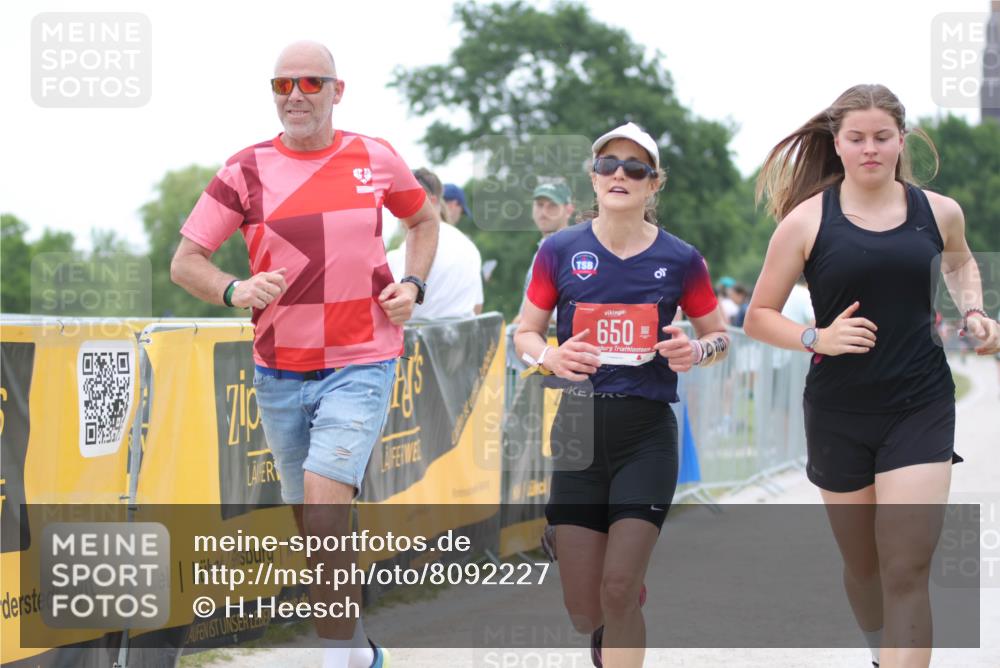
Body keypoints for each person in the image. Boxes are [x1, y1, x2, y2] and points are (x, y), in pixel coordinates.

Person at [171, 40, 439, 668]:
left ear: (337, 91)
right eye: (283, 84)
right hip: (279, 370)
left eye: (311, 83)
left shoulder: (376, 157)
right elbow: (186, 263)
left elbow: (423, 223)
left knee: (322, 504)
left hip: (362, 359)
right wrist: (235, 289)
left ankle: (331, 660)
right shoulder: (245, 170)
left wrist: (413, 286)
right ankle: (361, 651)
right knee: (315, 528)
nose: (295, 95)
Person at [744, 84, 1000, 668]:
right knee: (863, 567)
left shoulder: (939, 212)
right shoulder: (806, 223)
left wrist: (978, 313)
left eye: (882, 138)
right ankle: (881, 653)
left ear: (900, 140)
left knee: (906, 564)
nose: (870, 149)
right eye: (856, 138)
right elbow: (759, 316)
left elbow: (959, 263)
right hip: (839, 411)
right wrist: (818, 337)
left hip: (920, 403)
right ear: (837, 144)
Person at [515, 122, 729, 668]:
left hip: (646, 436)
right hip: (579, 432)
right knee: (587, 611)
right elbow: (525, 333)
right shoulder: (559, 250)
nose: (620, 175)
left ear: (653, 184)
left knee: (615, 587)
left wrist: (696, 352)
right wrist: (551, 357)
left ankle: (624, 591)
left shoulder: (682, 259)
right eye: (609, 164)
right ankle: (616, 604)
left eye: (635, 168)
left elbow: (718, 334)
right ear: (592, 178)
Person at [387, 168, 483, 320]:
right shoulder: (469, 247)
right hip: (463, 340)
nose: (398, 212)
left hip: (418, 340)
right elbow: (477, 308)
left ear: (429, 201)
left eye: (405, 202)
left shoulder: (408, 250)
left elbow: (393, 307)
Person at [512, 181, 575, 325]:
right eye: (539, 205)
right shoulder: (544, 248)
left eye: (552, 205)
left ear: (569, 210)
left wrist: (522, 322)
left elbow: (563, 315)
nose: (544, 212)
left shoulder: (569, 251)